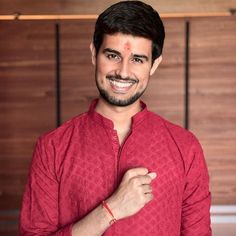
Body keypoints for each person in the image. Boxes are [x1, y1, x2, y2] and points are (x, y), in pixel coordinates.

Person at [19, 1, 211, 235]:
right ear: (94, 54)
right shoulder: (52, 147)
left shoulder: (185, 147)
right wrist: (111, 210)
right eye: (113, 55)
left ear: (154, 65)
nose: (123, 72)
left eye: (137, 60)